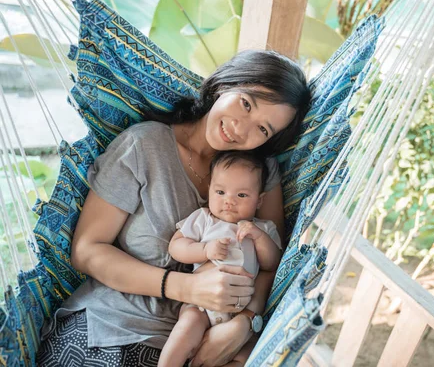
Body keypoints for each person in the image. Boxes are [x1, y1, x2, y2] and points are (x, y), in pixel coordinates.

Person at [37, 50, 311, 367]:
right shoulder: (145, 146)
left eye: (263, 129)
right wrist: (188, 288)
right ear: (225, 84)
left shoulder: (259, 173)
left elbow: (271, 262)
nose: (242, 128)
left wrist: (245, 321)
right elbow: (86, 250)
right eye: (246, 103)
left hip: (210, 341)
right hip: (115, 326)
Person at [159, 151, 282, 367]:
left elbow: (272, 264)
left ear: (259, 200)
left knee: (247, 355)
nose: (229, 201)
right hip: (200, 307)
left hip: (239, 311)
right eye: (220, 192)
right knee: (185, 330)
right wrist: (205, 250)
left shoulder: (262, 228)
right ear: (209, 191)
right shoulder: (203, 219)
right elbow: (176, 246)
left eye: (241, 195)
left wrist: (259, 237)